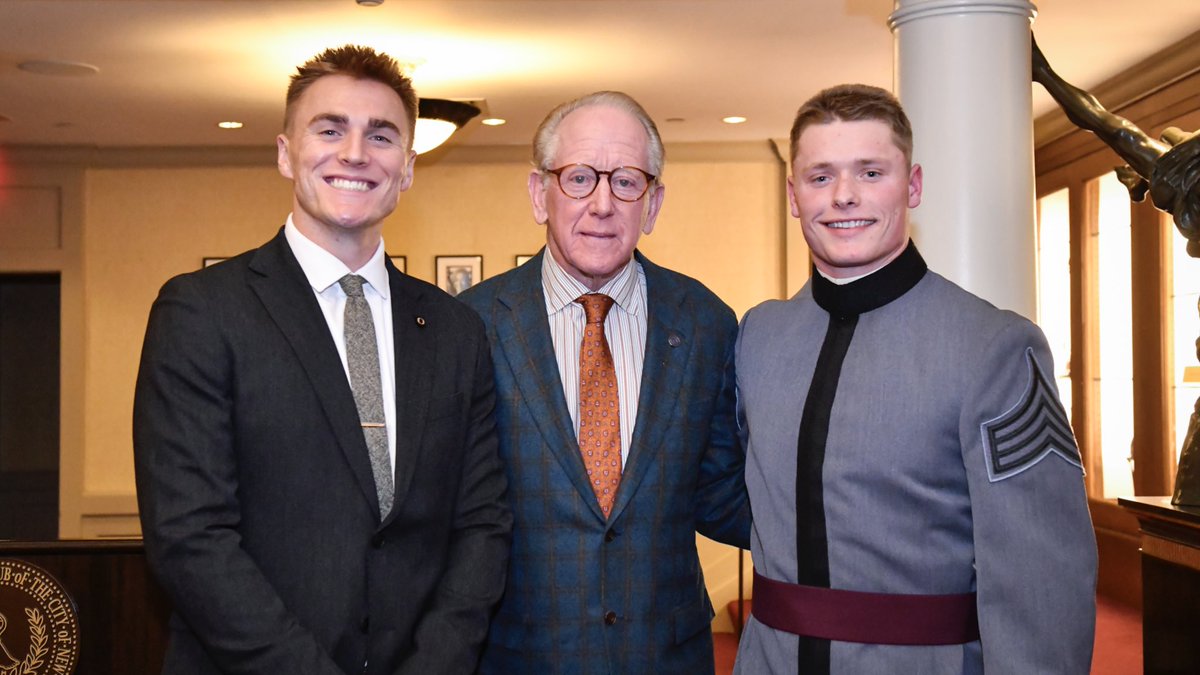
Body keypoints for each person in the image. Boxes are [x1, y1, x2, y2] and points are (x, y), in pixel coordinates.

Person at [133, 45, 510, 674]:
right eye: (330, 128)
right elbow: (189, 538)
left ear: (409, 167)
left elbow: (481, 525)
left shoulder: (455, 330)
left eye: (381, 135)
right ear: (286, 153)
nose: (356, 153)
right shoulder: (201, 312)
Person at [733, 84, 1097, 674]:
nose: (844, 196)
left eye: (871, 172)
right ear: (793, 195)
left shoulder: (993, 345)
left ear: (914, 185)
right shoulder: (759, 336)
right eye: (820, 177)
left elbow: (1041, 577)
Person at [457, 91, 751, 673]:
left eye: (626, 181)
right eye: (580, 178)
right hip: (517, 657)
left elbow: (718, 493)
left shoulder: (705, 322)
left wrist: (848, 518)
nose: (602, 204)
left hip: (665, 656)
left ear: (654, 203)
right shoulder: (472, 325)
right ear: (540, 194)